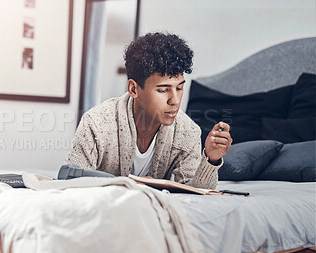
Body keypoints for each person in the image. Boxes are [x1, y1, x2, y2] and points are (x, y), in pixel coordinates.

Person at [67, 32, 232, 189]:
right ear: (133, 89)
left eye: (179, 88)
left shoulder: (188, 133)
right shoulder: (96, 124)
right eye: (163, 90)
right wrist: (130, 186)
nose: (175, 100)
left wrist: (211, 159)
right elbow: (71, 183)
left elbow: (194, 193)